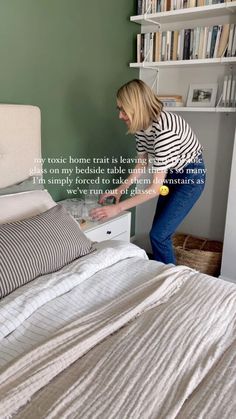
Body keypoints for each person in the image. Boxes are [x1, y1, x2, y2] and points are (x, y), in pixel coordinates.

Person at [90, 79, 206, 264]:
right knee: (160, 233)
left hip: (190, 177)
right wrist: (121, 189)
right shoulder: (141, 126)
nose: (120, 115)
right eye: (118, 109)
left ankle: (169, 280)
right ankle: (162, 273)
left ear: (137, 106)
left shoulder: (164, 130)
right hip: (171, 175)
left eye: (123, 109)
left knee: (159, 235)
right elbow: (141, 164)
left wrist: (117, 208)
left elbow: (154, 189)